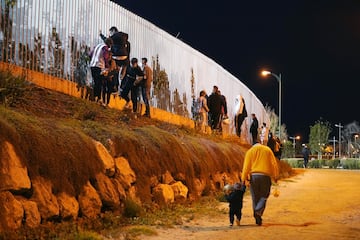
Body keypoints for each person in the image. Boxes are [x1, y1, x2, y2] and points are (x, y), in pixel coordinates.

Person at [241, 143, 279, 226]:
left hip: (254, 176)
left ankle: (257, 216)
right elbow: (274, 164)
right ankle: (258, 211)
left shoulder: (250, 151)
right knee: (264, 196)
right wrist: (275, 176)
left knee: (255, 197)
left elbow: (246, 166)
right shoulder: (268, 150)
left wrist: (243, 178)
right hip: (265, 176)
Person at [89, 38, 113, 103]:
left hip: (92, 65)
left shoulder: (97, 46)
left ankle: (95, 97)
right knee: (99, 82)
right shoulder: (105, 48)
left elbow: (90, 54)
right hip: (99, 66)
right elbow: (105, 57)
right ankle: (99, 98)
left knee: (95, 82)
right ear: (109, 44)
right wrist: (107, 66)